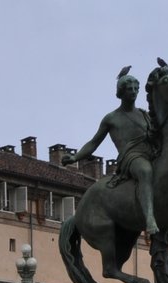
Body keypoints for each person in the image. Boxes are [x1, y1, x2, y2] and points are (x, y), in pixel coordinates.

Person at [62, 65, 160, 239]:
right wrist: (75, 157)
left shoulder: (144, 114)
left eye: (135, 89)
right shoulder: (111, 118)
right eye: (129, 89)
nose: (133, 92)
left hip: (151, 152)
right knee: (145, 172)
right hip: (132, 157)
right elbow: (94, 143)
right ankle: (150, 219)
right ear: (121, 92)